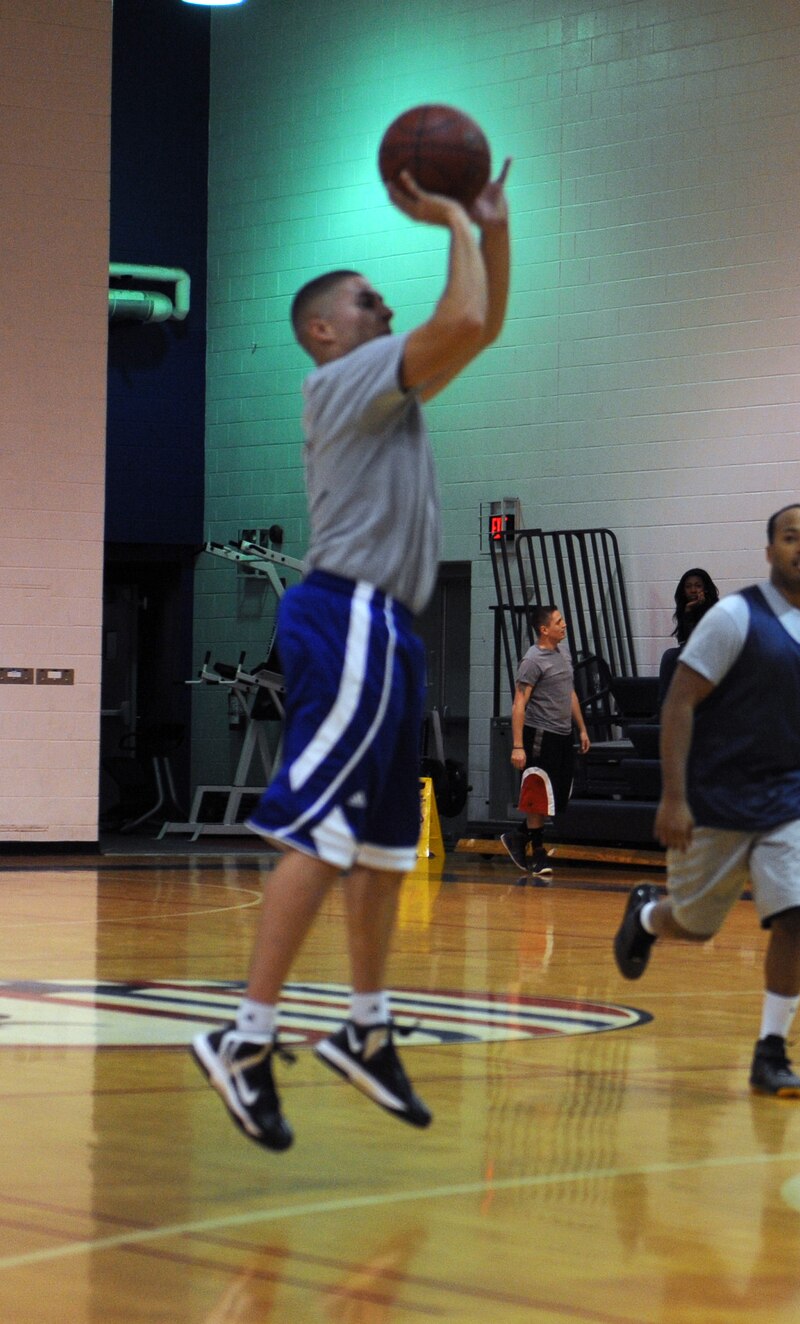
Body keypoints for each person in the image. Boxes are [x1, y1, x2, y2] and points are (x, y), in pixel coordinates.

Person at [190, 159, 513, 1150]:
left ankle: (365, 1026)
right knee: (320, 836)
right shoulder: (341, 377)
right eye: (366, 300)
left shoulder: (386, 384)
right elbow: (463, 318)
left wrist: (488, 225)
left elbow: (482, 322)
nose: (383, 306)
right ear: (324, 329)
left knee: (376, 850)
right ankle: (245, 1034)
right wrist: (459, 217)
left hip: (389, 631)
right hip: (349, 617)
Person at [613, 505, 800, 1099]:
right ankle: (648, 917)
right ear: (770, 552)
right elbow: (680, 702)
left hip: (793, 804)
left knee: (795, 914)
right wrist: (674, 796)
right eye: (791, 537)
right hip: (718, 797)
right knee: (695, 922)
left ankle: (772, 1049)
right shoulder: (734, 618)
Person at [502, 605, 591, 879]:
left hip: (563, 735)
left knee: (558, 796)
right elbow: (519, 704)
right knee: (538, 795)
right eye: (558, 621)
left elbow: (570, 693)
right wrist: (518, 746)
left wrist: (583, 729)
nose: (564, 625)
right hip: (539, 734)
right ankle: (537, 852)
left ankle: (518, 836)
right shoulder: (532, 660)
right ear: (544, 629)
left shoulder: (562, 653)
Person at [658, 567, 720, 708]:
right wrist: (688, 614)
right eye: (688, 587)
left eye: (698, 586)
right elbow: (686, 641)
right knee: (670, 656)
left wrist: (702, 609)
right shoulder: (685, 610)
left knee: (671, 656)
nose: (693, 590)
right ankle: (664, 708)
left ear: (705, 589)